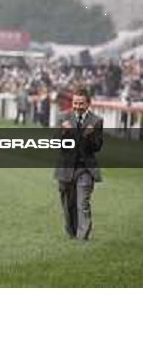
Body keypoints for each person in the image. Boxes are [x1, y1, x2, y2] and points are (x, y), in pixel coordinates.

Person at [54, 87, 104, 240]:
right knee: (69, 205)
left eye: (81, 103)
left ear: (88, 104)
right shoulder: (63, 117)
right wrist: (63, 132)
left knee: (83, 202)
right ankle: (72, 232)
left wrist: (90, 136)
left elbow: (97, 147)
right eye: (75, 103)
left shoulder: (96, 121)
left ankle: (83, 237)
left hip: (85, 168)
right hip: (66, 168)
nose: (77, 106)